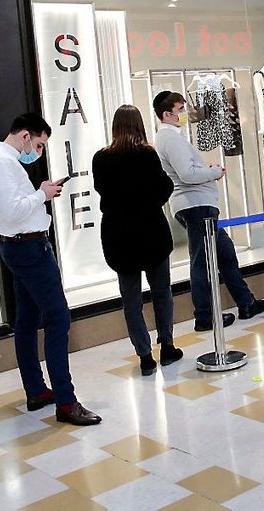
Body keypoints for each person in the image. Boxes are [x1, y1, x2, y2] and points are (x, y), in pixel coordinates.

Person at [0, 113, 101, 426]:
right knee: (58, 318)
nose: (39, 152)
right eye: (38, 144)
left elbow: (15, 206)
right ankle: (66, 401)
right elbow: (14, 209)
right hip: (28, 248)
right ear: (23, 136)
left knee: (27, 320)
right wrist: (42, 194)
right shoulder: (2, 163)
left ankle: (36, 390)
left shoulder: (0, 161)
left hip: (20, 246)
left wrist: (39, 192)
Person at [152, 91, 264, 331]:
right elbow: (187, 174)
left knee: (224, 253)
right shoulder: (170, 139)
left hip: (198, 204)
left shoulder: (172, 138)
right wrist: (214, 172)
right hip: (195, 205)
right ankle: (204, 315)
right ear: (167, 114)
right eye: (180, 110)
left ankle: (246, 302)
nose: (184, 114)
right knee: (201, 261)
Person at [93, 105, 183, 376]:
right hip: (151, 232)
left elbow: (101, 191)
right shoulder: (147, 154)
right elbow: (163, 187)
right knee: (161, 293)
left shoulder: (101, 158)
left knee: (130, 300)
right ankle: (167, 346)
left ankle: (144, 355)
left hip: (119, 236)